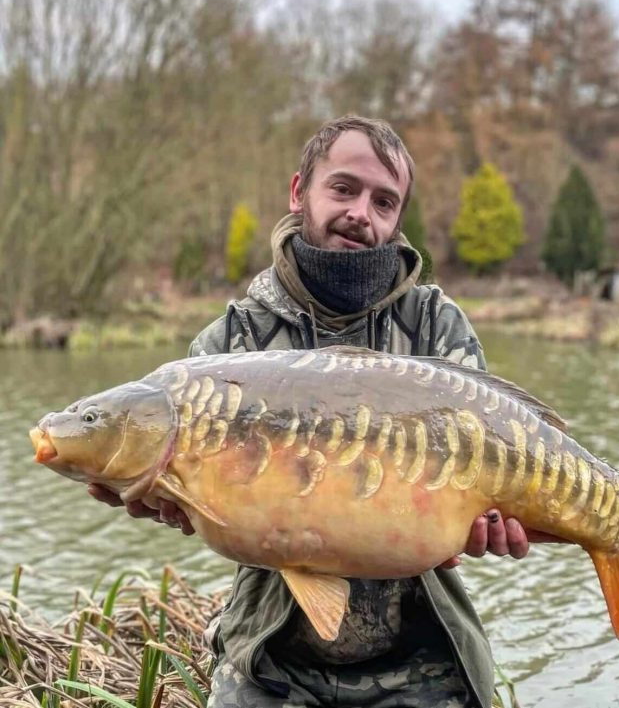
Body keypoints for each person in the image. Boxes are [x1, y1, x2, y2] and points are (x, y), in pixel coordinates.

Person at [90, 115, 542, 708]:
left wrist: (490, 523)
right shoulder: (230, 341)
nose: (361, 212)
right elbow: (191, 494)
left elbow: (486, 471)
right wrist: (172, 502)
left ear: (397, 218)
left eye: (385, 201)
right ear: (300, 191)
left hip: (423, 647)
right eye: (344, 188)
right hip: (271, 650)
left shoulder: (436, 325)